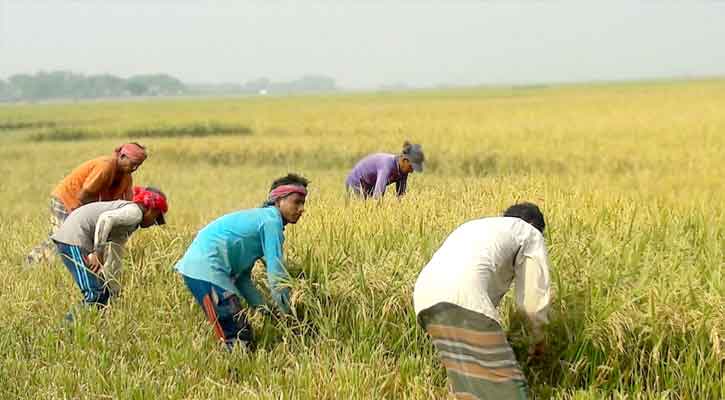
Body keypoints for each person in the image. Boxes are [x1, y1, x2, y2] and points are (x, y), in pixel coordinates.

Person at [413, 202, 552, 400]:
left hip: (424, 298)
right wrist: (537, 339)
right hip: (463, 298)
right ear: (534, 225)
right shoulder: (530, 233)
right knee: (509, 390)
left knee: (471, 388)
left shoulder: (477, 226)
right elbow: (533, 300)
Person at [175, 173, 309, 350]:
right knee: (237, 335)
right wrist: (289, 316)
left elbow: (242, 279)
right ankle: (231, 375)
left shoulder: (261, 219)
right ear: (278, 201)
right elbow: (277, 276)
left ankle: (235, 371)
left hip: (201, 271)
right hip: (207, 271)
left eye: (303, 203)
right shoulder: (271, 222)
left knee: (238, 331)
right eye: (296, 202)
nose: (301, 209)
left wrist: (267, 312)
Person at [51, 186, 168, 317]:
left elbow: (115, 255)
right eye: (156, 217)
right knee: (94, 293)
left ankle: (89, 329)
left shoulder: (128, 223)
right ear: (151, 209)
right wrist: (98, 252)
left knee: (104, 294)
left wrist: (114, 290)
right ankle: (65, 329)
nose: (154, 223)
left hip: (78, 239)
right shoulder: (135, 212)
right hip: (74, 238)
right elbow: (105, 219)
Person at [27, 143, 148, 265]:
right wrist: (83, 218)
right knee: (63, 239)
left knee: (70, 239)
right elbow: (84, 194)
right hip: (68, 199)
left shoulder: (126, 178)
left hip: (82, 206)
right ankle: (32, 263)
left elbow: (125, 203)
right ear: (122, 156)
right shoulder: (106, 166)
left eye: (138, 165)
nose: (134, 168)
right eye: (133, 163)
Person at [345, 141, 424, 199]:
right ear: (404, 160)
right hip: (355, 182)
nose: (412, 171)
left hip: (369, 186)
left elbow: (401, 196)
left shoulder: (403, 171)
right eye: (411, 167)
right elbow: (377, 196)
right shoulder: (386, 166)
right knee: (362, 209)